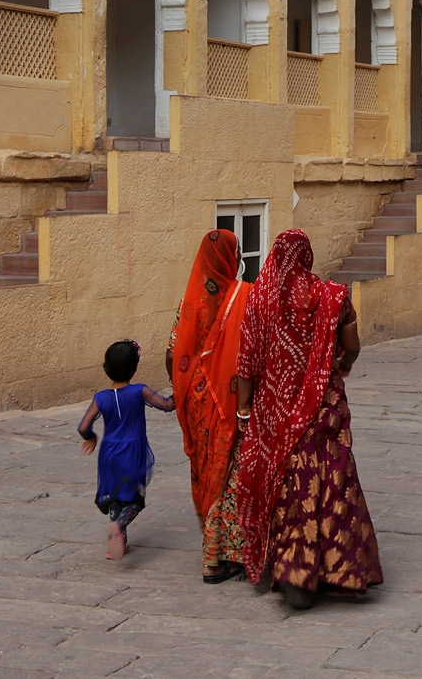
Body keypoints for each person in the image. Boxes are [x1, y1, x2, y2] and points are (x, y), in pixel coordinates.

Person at [236, 228, 382, 609]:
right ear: (307, 257)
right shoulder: (331, 296)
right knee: (333, 474)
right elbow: (351, 345)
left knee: (286, 479)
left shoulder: (260, 299)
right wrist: (342, 365)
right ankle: (341, 568)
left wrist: (243, 410)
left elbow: (247, 363)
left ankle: (292, 566)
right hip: (324, 400)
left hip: (275, 409)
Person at [166, 228, 250, 582]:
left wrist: (185, 390)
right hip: (227, 398)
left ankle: (218, 550)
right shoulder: (243, 296)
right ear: (231, 259)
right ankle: (215, 559)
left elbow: (172, 354)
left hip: (196, 400)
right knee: (227, 473)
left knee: (206, 469)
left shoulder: (190, 302)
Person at [78, 338, 175, 561]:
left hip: (108, 454)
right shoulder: (140, 391)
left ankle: (117, 544)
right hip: (133, 453)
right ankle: (119, 527)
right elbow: (168, 405)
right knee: (134, 500)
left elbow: (84, 426)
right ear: (134, 368)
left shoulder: (100, 397)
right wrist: (181, 387)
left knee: (115, 498)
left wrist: (91, 437)